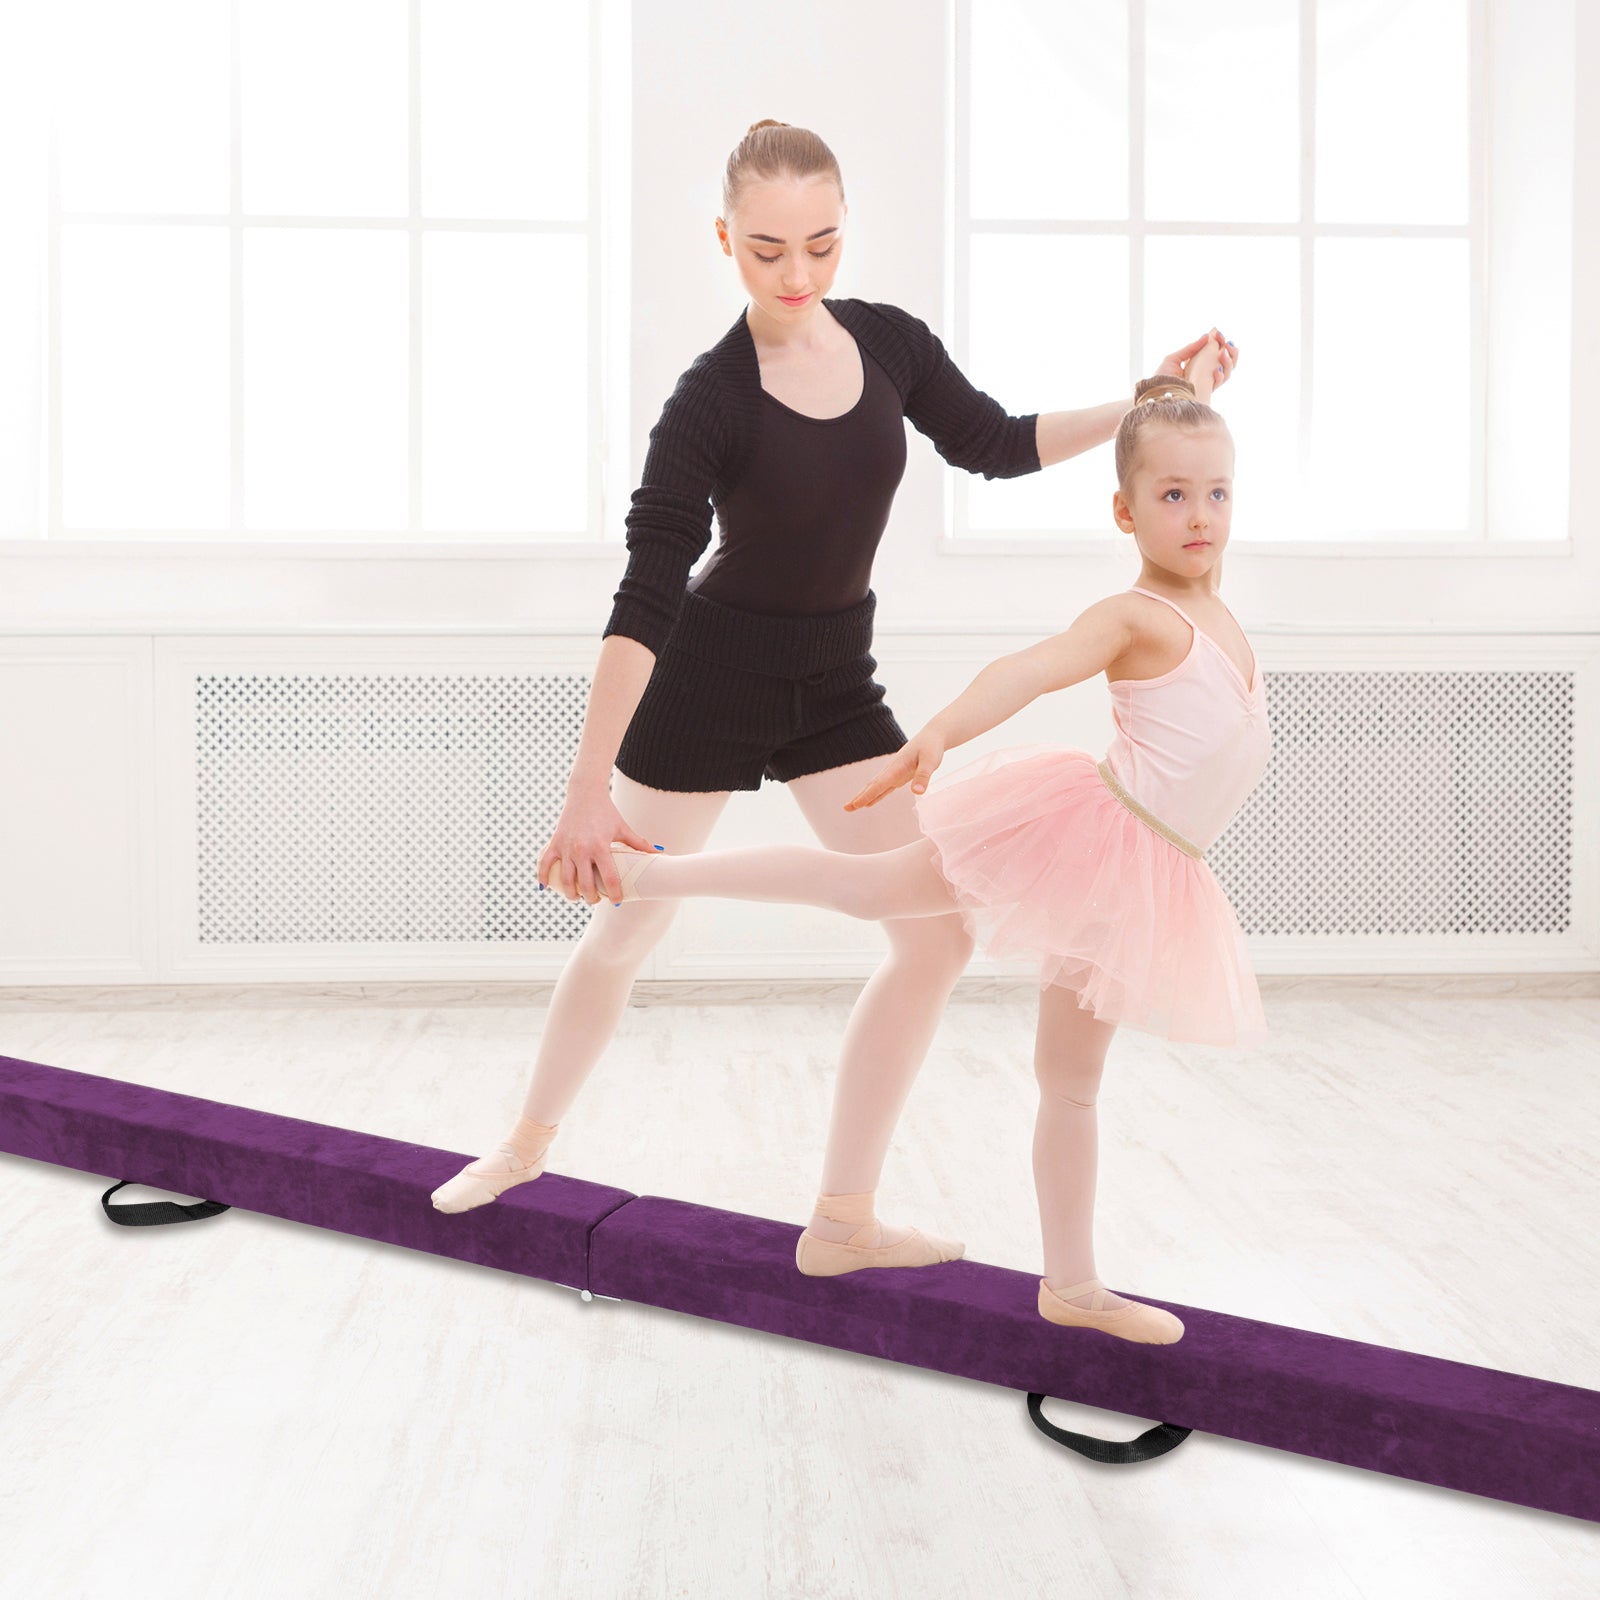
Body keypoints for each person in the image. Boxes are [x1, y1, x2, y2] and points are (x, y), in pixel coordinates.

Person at [430, 120, 1240, 1284]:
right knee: (630, 923)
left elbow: (996, 444)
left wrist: (1150, 403)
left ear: (844, 228)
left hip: (832, 680)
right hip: (709, 676)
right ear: (725, 240)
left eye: (820, 244)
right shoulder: (708, 401)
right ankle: (521, 1146)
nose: (798, 276)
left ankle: (842, 1217)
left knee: (935, 928)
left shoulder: (888, 343)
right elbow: (648, 592)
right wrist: (583, 794)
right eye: (766, 251)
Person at [563, 356, 1269, 1345]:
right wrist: (940, 732)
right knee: (871, 888)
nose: (1198, 514)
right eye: (1172, 494)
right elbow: (1028, 669)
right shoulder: (1134, 615)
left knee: (1070, 1080)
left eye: (1217, 493)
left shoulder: (1218, 611)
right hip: (1082, 835)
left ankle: (1071, 1285)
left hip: (1146, 876)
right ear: (1125, 513)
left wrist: (1168, 395)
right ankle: (650, 871)